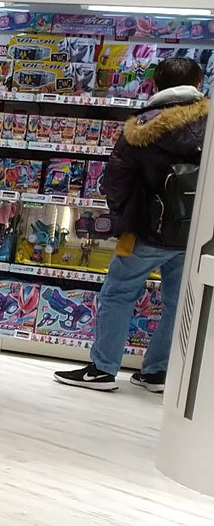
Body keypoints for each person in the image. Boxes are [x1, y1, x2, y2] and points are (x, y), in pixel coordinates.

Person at [55, 55, 206, 392]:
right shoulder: (209, 125)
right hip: (194, 232)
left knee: (118, 295)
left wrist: (122, 216)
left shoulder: (142, 127)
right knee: (177, 302)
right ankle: (156, 373)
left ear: (154, 84)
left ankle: (103, 369)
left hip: (145, 230)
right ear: (198, 84)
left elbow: (116, 179)